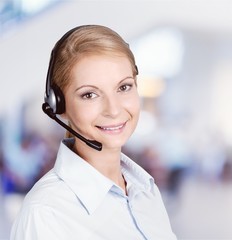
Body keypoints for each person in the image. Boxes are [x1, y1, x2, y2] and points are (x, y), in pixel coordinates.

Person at [10, 25, 177, 240]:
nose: (114, 109)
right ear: (59, 106)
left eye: (124, 87)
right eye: (89, 94)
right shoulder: (46, 212)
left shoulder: (145, 191)